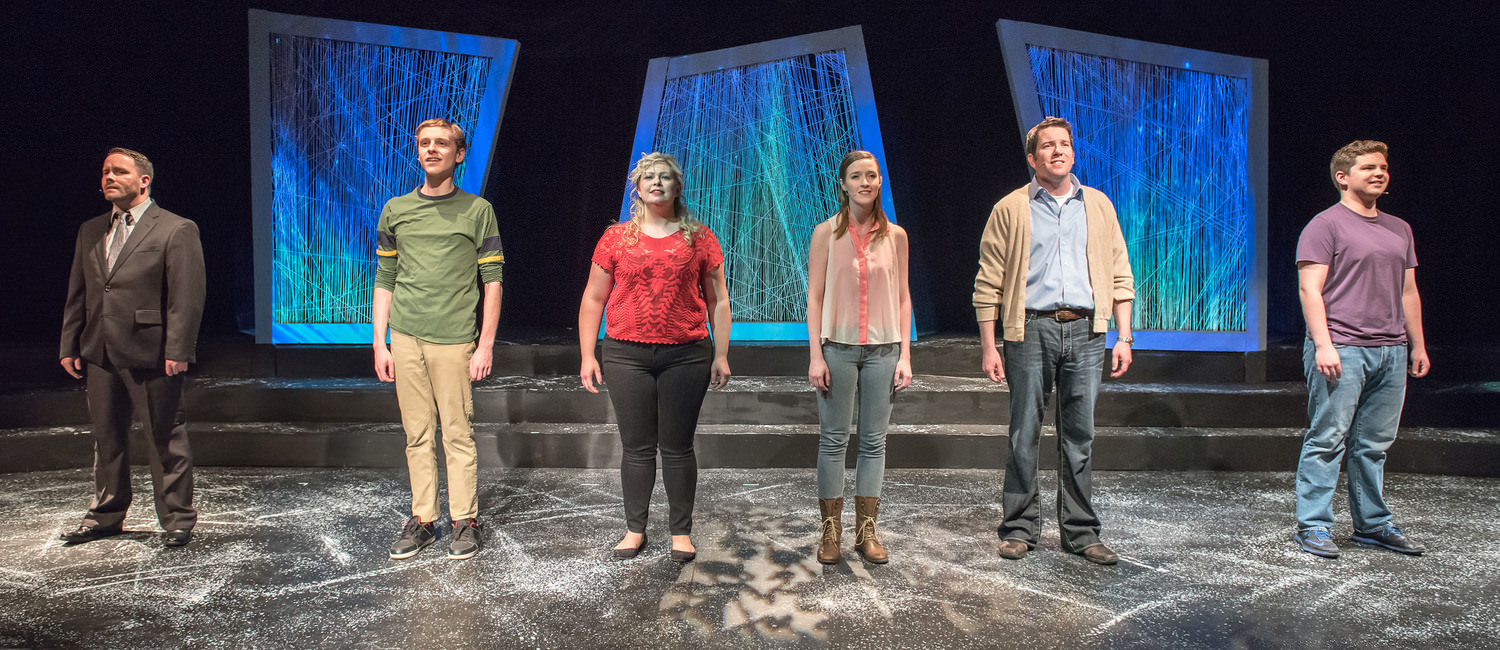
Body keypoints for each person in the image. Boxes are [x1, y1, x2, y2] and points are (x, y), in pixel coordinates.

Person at [972, 117, 1135, 565]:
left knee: (1079, 434)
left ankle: (1081, 532)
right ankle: (1019, 527)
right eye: (1047, 146)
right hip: (1031, 329)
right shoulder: (1011, 208)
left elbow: (1120, 273)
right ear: (1033, 158)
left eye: (1064, 144)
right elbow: (987, 282)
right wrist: (989, 344)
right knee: (1025, 430)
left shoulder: (1098, 206)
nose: (1057, 151)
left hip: (1087, 331)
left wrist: (1124, 335)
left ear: (1073, 153)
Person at [578, 152, 731, 564]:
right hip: (627, 353)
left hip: (686, 354)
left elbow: (717, 300)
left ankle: (681, 532)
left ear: (678, 187)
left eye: (665, 177)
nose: (657, 182)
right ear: (638, 187)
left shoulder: (699, 236)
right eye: (649, 177)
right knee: (637, 446)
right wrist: (587, 355)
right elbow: (594, 298)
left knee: (678, 446)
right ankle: (635, 530)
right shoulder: (616, 238)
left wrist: (721, 354)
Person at [59, 148, 206, 548]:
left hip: (153, 350)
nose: (109, 177)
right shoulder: (91, 229)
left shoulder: (175, 229)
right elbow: (80, 292)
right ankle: (106, 514)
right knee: (107, 436)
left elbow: (186, 298)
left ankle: (177, 517)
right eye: (105, 171)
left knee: (164, 435)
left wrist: (178, 348)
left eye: (119, 171)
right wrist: (70, 342)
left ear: (144, 180)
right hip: (100, 350)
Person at [373, 118, 503, 560]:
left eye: (442, 144)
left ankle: (465, 520)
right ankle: (424, 519)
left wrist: (485, 344)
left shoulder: (477, 210)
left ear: (458, 154)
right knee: (416, 433)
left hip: (453, 339)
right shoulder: (395, 209)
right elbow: (385, 277)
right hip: (405, 335)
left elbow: (493, 281)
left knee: (458, 433)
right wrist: (380, 342)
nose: (432, 150)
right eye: (424, 143)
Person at [1293, 140, 1429, 559]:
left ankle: (1372, 524)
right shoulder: (1325, 224)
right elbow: (1309, 289)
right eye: (1369, 167)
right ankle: (1314, 525)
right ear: (1342, 177)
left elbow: (1408, 291)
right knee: (1327, 438)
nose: (1379, 173)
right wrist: (1323, 344)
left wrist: (1417, 345)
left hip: (1390, 349)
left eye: (1383, 167)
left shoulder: (1399, 228)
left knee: (1373, 444)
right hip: (1343, 348)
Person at [806, 151, 912, 565]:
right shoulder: (825, 234)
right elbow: (814, 298)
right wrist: (815, 354)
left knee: (874, 442)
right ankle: (830, 531)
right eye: (856, 176)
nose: (865, 182)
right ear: (843, 184)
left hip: (884, 349)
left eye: (872, 175)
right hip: (837, 348)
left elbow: (903, 297)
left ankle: (866, 531)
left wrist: (906, 354)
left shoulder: (896, 236)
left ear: (880, 182)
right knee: (834, 440)